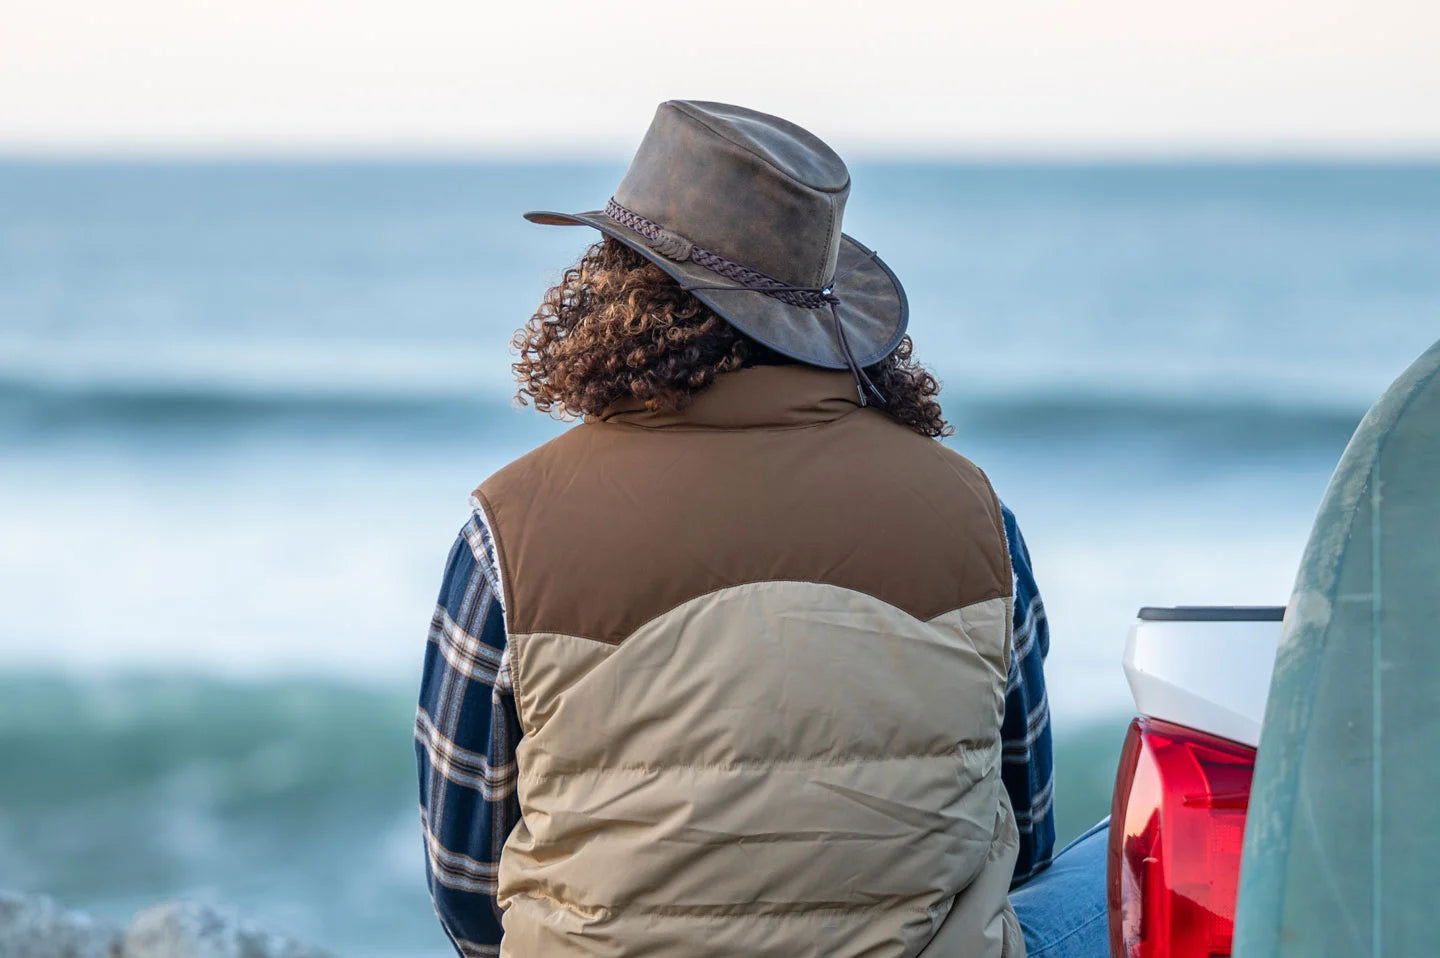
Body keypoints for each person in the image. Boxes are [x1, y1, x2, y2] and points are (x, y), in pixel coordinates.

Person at [415, 100, 1108, 957]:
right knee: (1127, 848)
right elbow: (1026, 832)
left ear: (618, 288)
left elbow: (465, 889)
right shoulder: (975, 515)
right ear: (827, 321)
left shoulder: (506, 529)